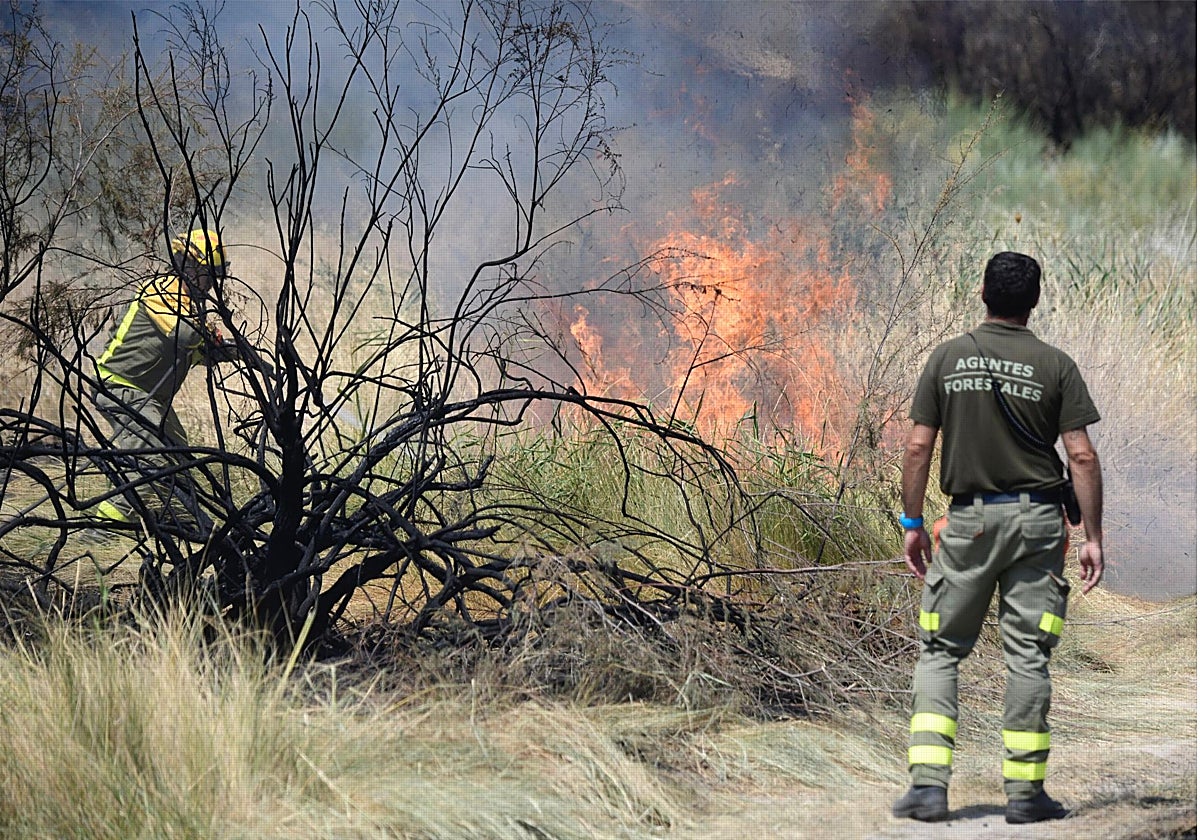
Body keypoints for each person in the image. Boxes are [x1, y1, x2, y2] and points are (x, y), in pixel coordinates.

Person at [891, 251, 1104, 824]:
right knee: (1028, 656)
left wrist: (913, 524)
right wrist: (1094, 537)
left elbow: (917, 446)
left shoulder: (948, 357)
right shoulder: (1056, 364)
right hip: (1038, 526)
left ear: (983, 292)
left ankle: (929, 789)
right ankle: (1026, 795)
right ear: (1034, 300)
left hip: (969, 524)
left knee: (939, 651)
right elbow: (1080, 455)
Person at [89, 228, 236, 542]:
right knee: (149, 453)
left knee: (177, 456)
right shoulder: (161, 290)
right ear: (186, 264)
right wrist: (210, 336)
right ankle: (101, 535)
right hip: (119, 385)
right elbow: (183, 336)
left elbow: (196, 353)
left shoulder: (192, 308)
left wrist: (237, 353)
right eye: (207, 274)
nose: (210, 283)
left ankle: (187, 526)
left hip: (149, 398)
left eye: (215, 276)